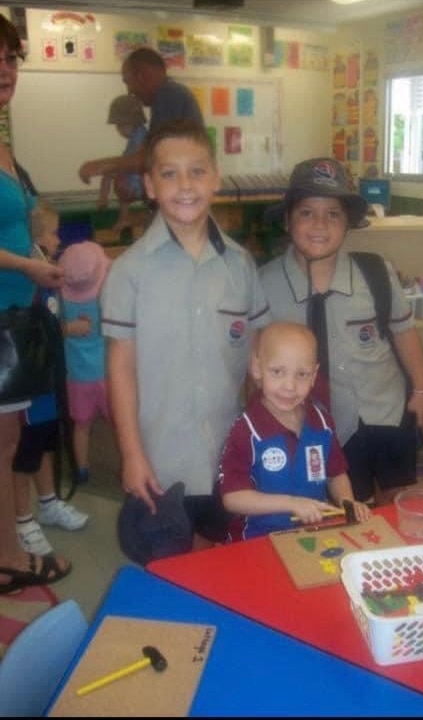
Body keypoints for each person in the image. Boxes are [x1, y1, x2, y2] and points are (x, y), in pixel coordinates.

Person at [100, 118, 270, 562]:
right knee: (168, 569)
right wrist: (131, 454)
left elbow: (256, 361)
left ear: (215, 177)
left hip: (227, 457)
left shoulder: (240, 266)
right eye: (169, 173)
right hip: (159, 460)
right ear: (149, 186)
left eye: (197, 170)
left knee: (220, 563)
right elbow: (120, 367)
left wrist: (263, 440)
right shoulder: (129, 271)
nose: (185, 184)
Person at [259, 157, 423, 507]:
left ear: (348, 223)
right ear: (288, 219)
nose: (320, 224)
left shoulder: (376, 273)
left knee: (394, 503)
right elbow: (256, 358)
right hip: (316, 427)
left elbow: (404, 332)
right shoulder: (263, 284)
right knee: (342, 512)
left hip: (386, 412)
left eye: (333, 214)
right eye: (307, 212)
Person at [0, 13, 71, 593]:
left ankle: (16, 536)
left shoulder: (4, 145)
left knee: (11, 441)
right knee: (1, 447)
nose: (5, 70)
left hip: (18, 317)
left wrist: (36, 253)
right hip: (1, 316)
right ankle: (9, 558)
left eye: (10, 58)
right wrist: (26, 265)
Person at [218, 321, 371, 541]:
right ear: (257, 368)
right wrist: (292, 504)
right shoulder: (245, 431)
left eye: (301, 374)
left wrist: (347, 502)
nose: (289, 386)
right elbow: (232, 498)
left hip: (313, 533)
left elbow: (336, 474)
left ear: (314, 375)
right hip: (258, 539)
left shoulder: (322, 422)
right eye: (278, 372)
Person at [13, 201, 89, 557]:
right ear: (35, 237)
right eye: (54, 232)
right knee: (23, 452)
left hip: (46, 379)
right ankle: (22, 518)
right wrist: (68, 329)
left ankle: (47, 502)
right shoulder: (27, 276)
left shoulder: (46, 270)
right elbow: (34, 324)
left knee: (44, 443)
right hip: (27, 378)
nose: (58, 239)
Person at [78, 47, 203, 189]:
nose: (129, 91)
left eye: (127, 82)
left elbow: (153, 159)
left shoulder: (168, 95)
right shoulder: (170, 95)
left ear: (142, 76)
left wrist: (100, 166)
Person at [57, 240, 112, 486]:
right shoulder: (105, 297)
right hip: (106, 373)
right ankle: (128, 464)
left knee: (81, 425)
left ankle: (81, 469)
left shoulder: (63, 300)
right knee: (119, 423)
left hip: (77, 376)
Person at [97, 94, 148, 234]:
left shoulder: (140, 136)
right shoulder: (137, 135)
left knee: (110, 176)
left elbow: (134, 160)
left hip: (137, 184)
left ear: (131, 122)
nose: (118, 131)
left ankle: (104, 201)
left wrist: (117, 168)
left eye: (120, 126)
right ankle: (110, 207)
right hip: (137, 183)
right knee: (111, 176)